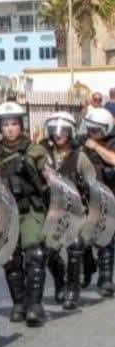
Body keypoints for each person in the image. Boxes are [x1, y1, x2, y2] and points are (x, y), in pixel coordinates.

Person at [0, 102, 51, 327]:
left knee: (34, 253)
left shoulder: (34, 150)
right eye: (5, 124)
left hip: (30, 208)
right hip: (6, 211)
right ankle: (19, 303)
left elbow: (49, 177)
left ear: (21, 125)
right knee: (10, 256)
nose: (10, 129)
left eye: (14, 124)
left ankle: (35, 305)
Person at [41, 111, 97, 310]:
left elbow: (92, 184)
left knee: (75, 244)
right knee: (47, 251)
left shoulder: (79, 157)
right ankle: (60, 282)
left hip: (77, 211)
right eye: (54, 130)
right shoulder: (43, 155)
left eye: (63, 130)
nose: (58, 134)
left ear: (71, 132)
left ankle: (73, 289)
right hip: (52, 211)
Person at [81, 107, 115, 297]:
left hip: (108, 196)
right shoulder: (83, 143)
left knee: (106, 238)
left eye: (96, 129)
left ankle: (106, 278)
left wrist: (96, 147)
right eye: (90, 128)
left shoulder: (111, 142)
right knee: (81, 239)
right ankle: (87, 268)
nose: (92, 133)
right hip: (86, 197)